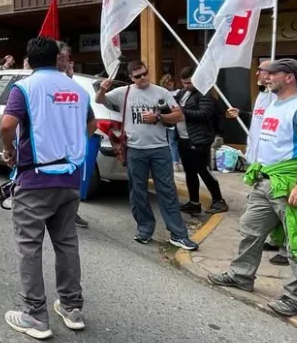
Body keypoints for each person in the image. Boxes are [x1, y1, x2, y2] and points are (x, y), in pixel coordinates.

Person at [209, 58, 297, 317]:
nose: (267, 77)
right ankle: (241, 276)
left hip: (288, 183)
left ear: (289, 77)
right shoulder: (272, 103)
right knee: (250, 230)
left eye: (273, 73)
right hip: (264, 180)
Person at [0, 37, 94, 340]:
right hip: (70, 178)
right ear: (58, 59)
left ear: (28, 60)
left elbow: (7, 125)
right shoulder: (79, 90)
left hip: (35, 178)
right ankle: (71, 307)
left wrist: (8, 151)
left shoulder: (25, 88)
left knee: (29, 245)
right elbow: (90, 126)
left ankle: (35, 315)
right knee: (67, 242)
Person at [97, 60, 198, 251]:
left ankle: (178, 234)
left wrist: (158, 117)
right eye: (138, 76)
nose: (143, 78)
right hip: (135, 150)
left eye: (145, 73)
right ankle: (144, 229)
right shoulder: (124, 93)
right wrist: (102, 89)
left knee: (167, 192)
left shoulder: (161, 92)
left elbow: (179, 116)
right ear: (130, 78)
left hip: (160, 149)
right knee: (138, 193)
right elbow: (99, 100)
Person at [226, 61, 286, 265]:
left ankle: (288, 248)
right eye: (259, 70)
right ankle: (275, 239)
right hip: (259, 160)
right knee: (266, 208)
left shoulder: (279, 98)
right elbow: (260, 120)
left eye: (263, 71)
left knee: (284, 209)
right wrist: (242, 114)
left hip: (275, 164)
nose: (259, 73)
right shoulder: (262, 95)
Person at [175, 66, 229, 216]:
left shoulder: (204, 94)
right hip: (183, 138)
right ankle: (194, 203)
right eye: (184, 83)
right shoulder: (182, 93)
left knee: (203, 170)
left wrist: (181, 111)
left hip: (199, 139)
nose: (186, 86)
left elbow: (204, 114)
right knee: (190, 172)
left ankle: (218, 200)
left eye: (189, 83)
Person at [57, 43, 89, 230]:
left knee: (71, 178)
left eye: (67, 57)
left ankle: (70, 211)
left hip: (70, 140)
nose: (65, 61)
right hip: (53, 140)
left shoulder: (71, 81)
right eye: (61, 57)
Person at [160, 73, 183, 172]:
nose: (169, 84)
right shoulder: (162, 93)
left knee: (175, 141)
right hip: (166, 120)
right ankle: (174, 161)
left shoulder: (179, 92)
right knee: (170, 141)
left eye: (170, 82)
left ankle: (175, 162)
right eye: (166, 82)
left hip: (177, 121)